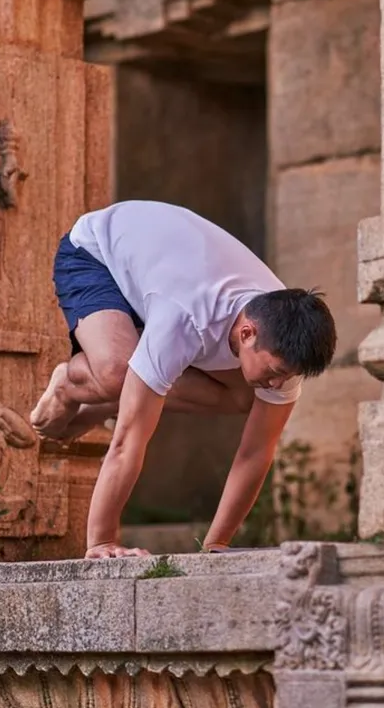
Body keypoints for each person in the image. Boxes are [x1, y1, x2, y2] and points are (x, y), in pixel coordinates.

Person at [30, 200, 336, 559]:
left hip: (159, 271)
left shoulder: (283, 337)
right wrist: (102, 542)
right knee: (119, 374)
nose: (276, 383)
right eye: (274, 373)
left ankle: (116, 397)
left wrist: (216, 544)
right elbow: (128, 441)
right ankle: (70, 383)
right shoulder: (184, 319)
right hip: (98, 254)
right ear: (248, 333)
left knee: (243, 398)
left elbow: (256, 452)